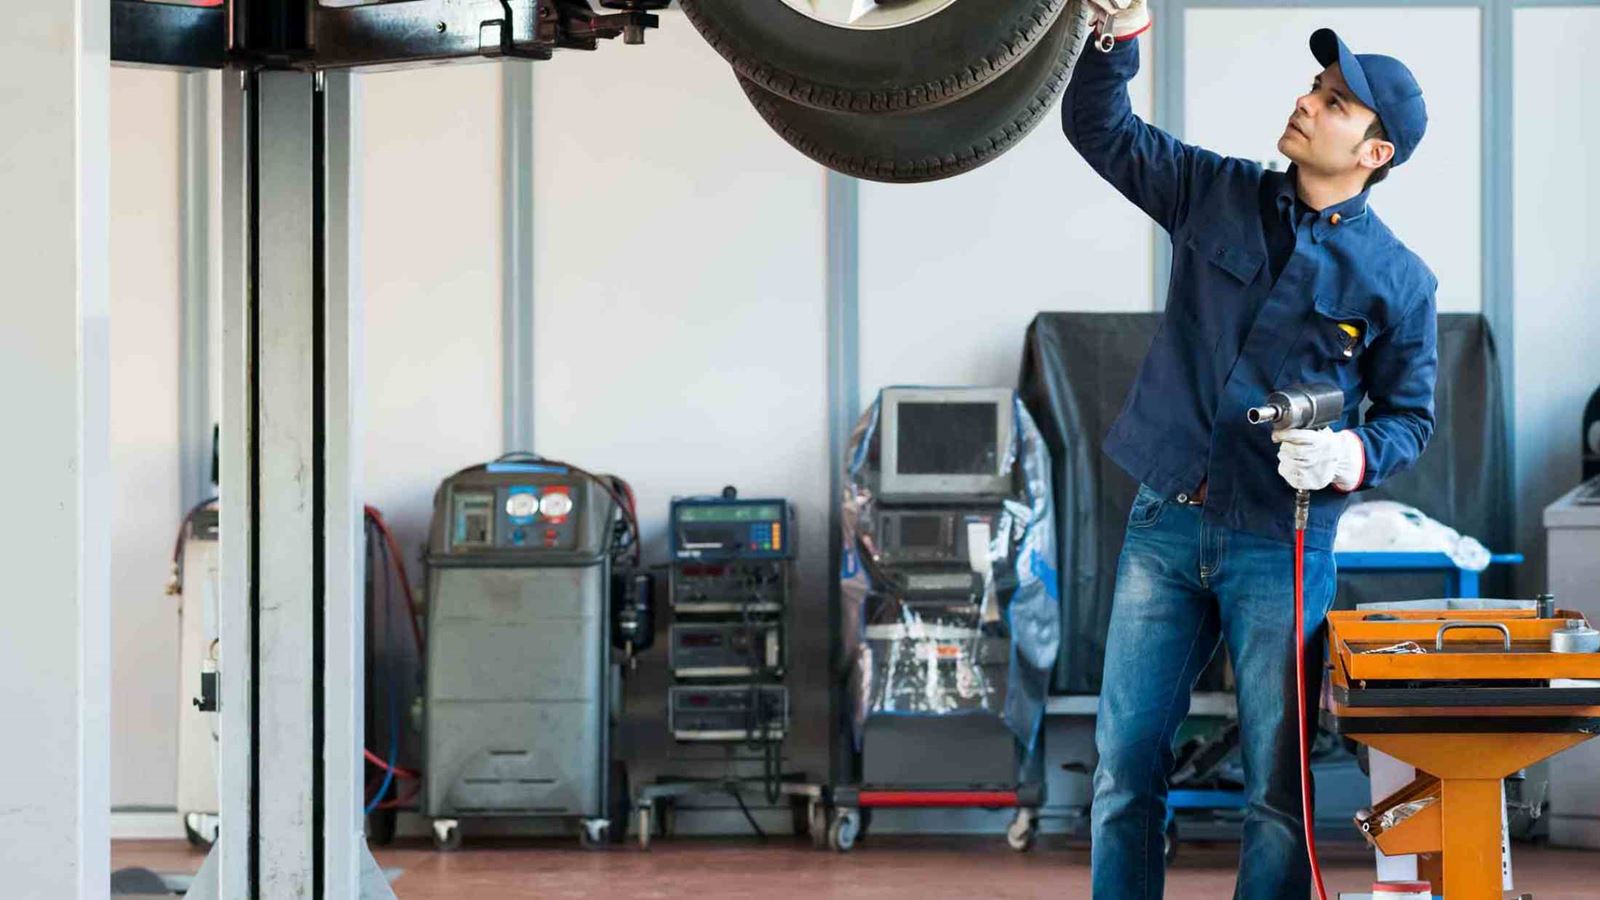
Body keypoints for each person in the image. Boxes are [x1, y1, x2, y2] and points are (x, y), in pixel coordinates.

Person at [1061, 1, 1438, 896]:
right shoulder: (1213, 191)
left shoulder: (1399, 283)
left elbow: (1410, 417)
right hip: (1165, 524)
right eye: (1316, 86)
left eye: (1337, 102)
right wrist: (1119, 36)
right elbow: (1099, 126)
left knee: (1277, 790)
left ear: (1374, 154)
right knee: (1124, 770)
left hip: (1282, 542)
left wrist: (1350, 455)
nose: (1309, 102)